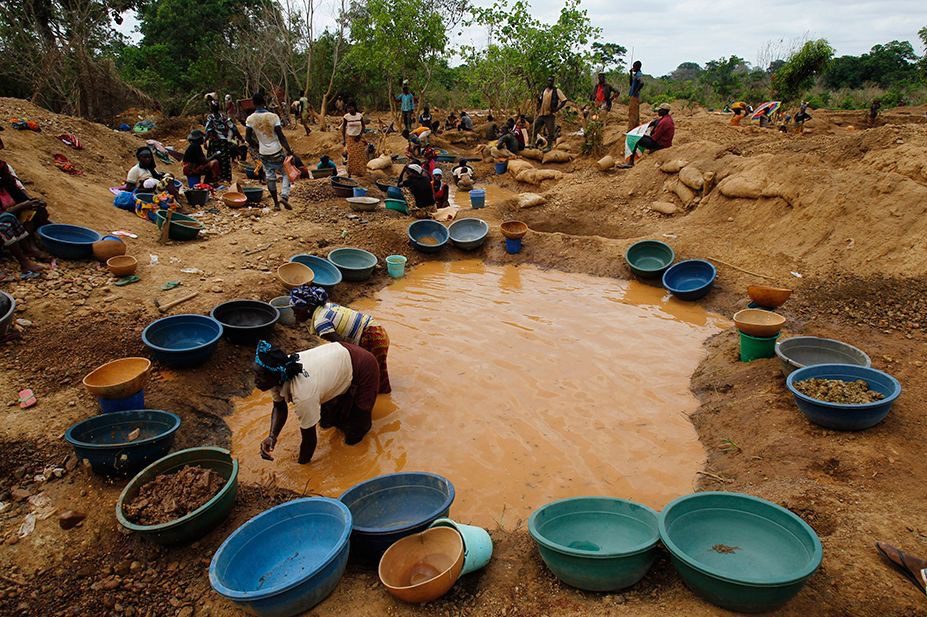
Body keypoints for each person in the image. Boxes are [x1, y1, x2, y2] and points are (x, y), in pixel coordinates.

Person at [254, 339, 380, 464]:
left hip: (364, 365)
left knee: (354, 434)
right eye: (256, 374)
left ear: (276, 376)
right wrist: (272, 436)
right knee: (326, 423)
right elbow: (279, 407)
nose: (256, 381)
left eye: (260, 376)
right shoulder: (278, 368)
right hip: (337, 358)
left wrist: (302, 467)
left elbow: (309, 440)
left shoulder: (302, 394)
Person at [289, 285, 391, 394]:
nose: (294, 314)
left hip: (371, 338)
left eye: (296, 311)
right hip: (378, 332)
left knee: (369, 380)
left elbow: (345, 347)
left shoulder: (320, 322)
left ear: (308, 308)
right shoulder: (327, 306)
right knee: (376, 376)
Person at [245, 92, 294, 210]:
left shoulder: (250, 119)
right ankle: (284, 196)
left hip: (263, 152)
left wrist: (257, 146)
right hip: (277, 150)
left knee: (270, 176)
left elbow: (247, 138)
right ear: (264, 102)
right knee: (285, 172)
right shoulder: (273, 117)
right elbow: (281, 136)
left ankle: (276, 204)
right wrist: (289, 150)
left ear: (253, 103)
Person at [0, 160, 49, 273]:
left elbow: (18, 192)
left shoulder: (4, 173)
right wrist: (21, 206)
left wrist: (32, 203)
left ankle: (27, 249)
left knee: (14, 216)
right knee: (4, 226)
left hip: (6, 213)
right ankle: (24, 261)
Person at [621, 103, 675, 168]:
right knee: (640, 136)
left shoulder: (664, 122)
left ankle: (631, 162)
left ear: (664, 111)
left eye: (659, 110)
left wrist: (642, 135)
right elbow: (654, 122)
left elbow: (654, 138)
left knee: (636, 139)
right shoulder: (666, 119)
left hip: (660, 144)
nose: (658, 112)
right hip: (664, 142)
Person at [205, 95, 242, 183]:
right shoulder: (224, 117)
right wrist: (240, 138)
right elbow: (233, 127)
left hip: (214, 141)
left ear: (211, 108)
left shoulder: (210, 117)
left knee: (214, 158)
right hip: (224, 142)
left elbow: (209, 130)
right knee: (225, 159)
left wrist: (204, 140)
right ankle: (226, 177)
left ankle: (215, 177)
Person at [534, 77, 567, 150]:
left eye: (551, 81)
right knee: (535, 127)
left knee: (550, 131)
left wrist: (557, 109)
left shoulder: (556, 90)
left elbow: (564, 100)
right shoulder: (544, 90)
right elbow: (541, 101)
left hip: (550, 114)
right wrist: (537, 98)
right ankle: (533, 143)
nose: (549, 82)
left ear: (553, 82)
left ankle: (549, 146)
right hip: (542, 113)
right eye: (548, 81)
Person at [341, 101, 367, 178]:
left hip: (358, 138)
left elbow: (363, 127)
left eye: (350, 107)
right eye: (348, 108)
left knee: (360, 155)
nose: (349, 109)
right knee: (351, 156)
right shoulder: (346, 117)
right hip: (350, 138)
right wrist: (344, 140)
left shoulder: (359, 116)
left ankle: (360, 172)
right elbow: (343, 128)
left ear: (354, 107)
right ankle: (350, 172)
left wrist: (360, 135)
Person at [628, 61, 644, 130]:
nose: (633, 68)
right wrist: (631, 73)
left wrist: (635, 91)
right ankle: (634, 128)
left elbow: (642, 83)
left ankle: (631, 129)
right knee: (634, 113)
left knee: (633, 113)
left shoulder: (639, 74)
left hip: (635, 96)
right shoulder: (636, 74)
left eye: (634, 67)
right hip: (633, 96)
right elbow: (631, 84)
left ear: (638, 67)